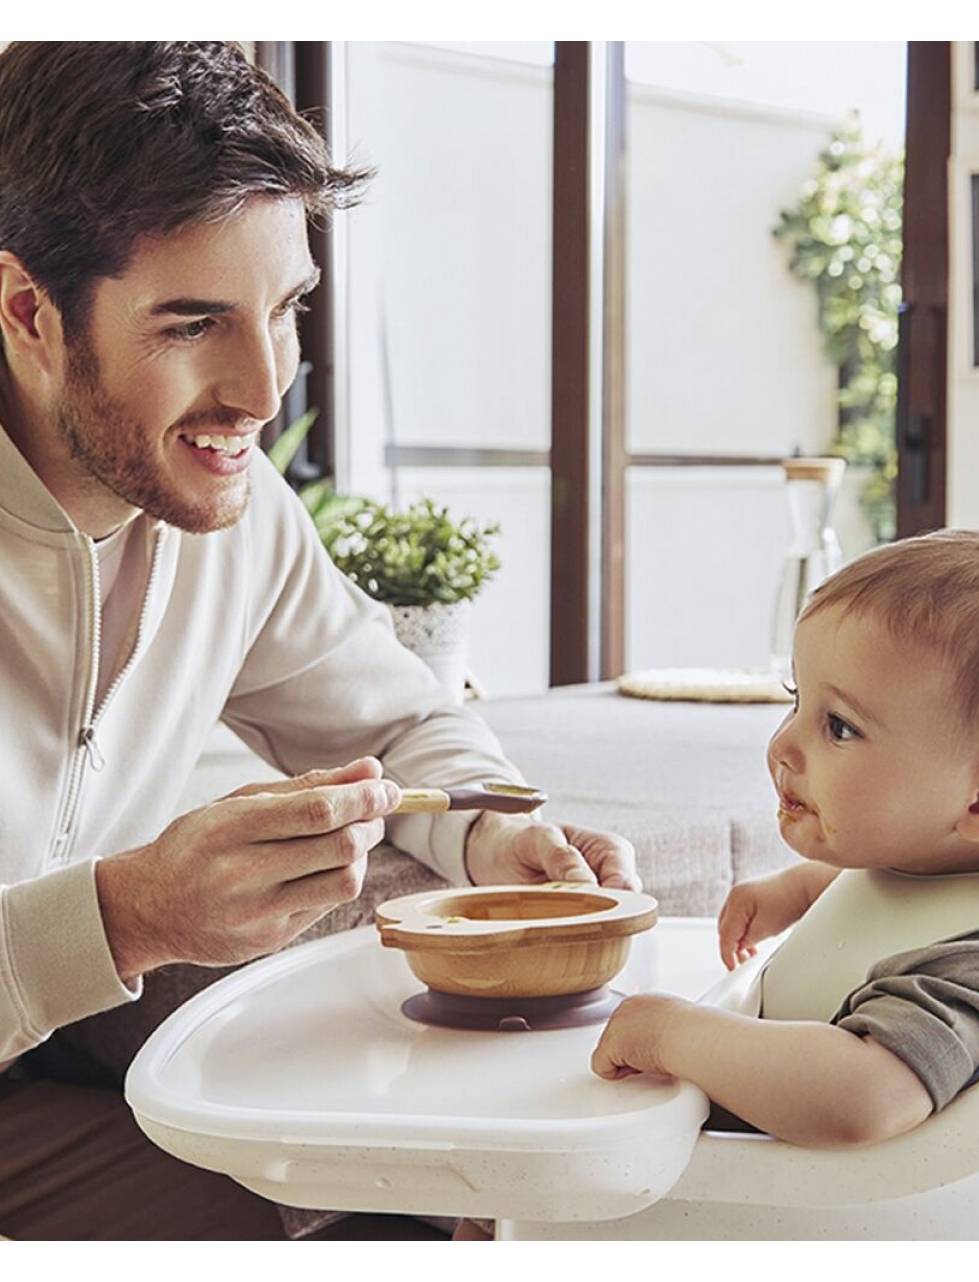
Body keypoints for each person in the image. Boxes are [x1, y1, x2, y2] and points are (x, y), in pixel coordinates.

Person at [0, 41, 638, 1239]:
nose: (263, 387)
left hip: (51, 1052)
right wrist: (127, 917)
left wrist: (491, 831)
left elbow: (396, 718)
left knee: (398, 1164)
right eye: (194, 324)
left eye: (287, 309)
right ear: (29, 312)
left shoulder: (230, 512)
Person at [593, 528, 979, 1146]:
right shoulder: (948, 857)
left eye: (840, 727)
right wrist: (793, 891)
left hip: (783, 1220)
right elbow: (901, 890)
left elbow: (866, 1098)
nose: (781, 745)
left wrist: (672, 1034)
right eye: (796, 700)